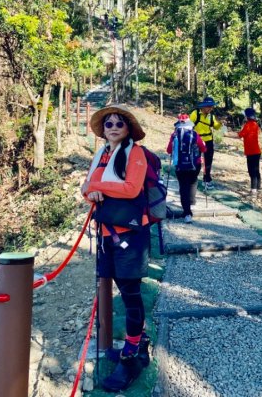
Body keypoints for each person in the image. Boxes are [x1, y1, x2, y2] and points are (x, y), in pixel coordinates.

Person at [81, 104, 150, 392]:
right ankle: (140, 343)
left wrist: (96, 185)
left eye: (118, 123)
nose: (112, 127)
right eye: (108, 123)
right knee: (118, 287)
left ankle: (132, 354)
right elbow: (87, 187)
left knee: (131, 293)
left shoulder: (136, 153)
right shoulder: (102, 155)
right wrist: (91, 189)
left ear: (128, 128)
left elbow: (132, 188)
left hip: (130, 236)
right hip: (107, 233)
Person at [166, 114, 206, 223]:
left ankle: (187, 212)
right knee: (193, 182)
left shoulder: (174, 135)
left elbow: (169, 150)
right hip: (194, 164)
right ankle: (192, 202)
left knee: (183, 186)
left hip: (180, 165)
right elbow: (204, 148)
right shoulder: (195, 134)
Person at [189, 96, 222, 190]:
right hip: (197, 141)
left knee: (208, 160)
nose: (210, 108)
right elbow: (189, 126)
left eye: (211, 107)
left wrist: (220, 123)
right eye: (208, 106)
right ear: (203, 106)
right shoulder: (195, 114)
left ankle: (207, 178)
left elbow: (216, 127)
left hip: (208, 140)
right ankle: (193, 178)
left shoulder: (211, 116)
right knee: (196, 160)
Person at [238, 107, 262, 196]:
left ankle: (253, 190)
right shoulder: (255, 124)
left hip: (251, 152)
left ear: (246, 116)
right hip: (257, 151)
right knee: (256, 170)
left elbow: (240, 135)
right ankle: (258, 188)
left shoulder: (247, 125)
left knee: (251, 171)